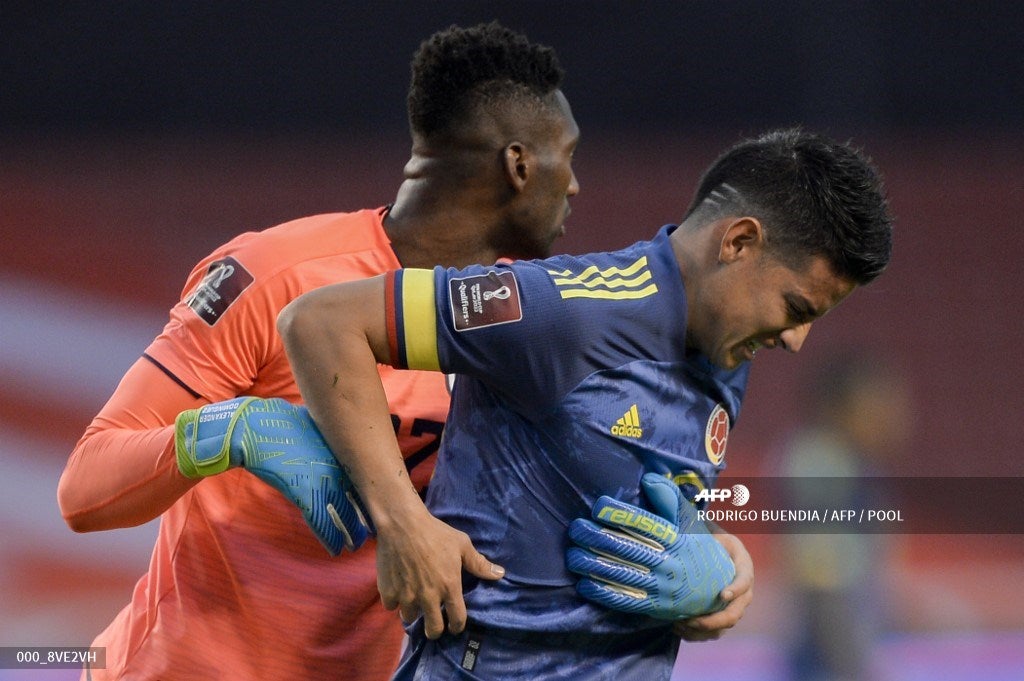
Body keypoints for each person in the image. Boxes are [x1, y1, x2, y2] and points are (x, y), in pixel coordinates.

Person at [57, 22, 751, 680]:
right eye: (566, 157)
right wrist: (225, 432)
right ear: (517, 165)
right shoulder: (274, 274)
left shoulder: (539, 327)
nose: (574, 185)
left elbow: (621, 497)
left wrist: (723, 563)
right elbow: (85, 487)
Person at [277, 127, 894, 680]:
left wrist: (719, 571)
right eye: (796, 309)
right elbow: (322, 323)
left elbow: (656, 500)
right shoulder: (561, 311)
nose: (795, 341)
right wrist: (401, 523)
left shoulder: (727, 353)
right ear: (738, 242)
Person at [778, 351, 911, 681]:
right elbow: (822, 582)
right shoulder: (821, 466)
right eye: (877, 404)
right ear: (837, 408)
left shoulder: (853, 464)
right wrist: (853, 670)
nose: (892, 416)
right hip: (826, 660)